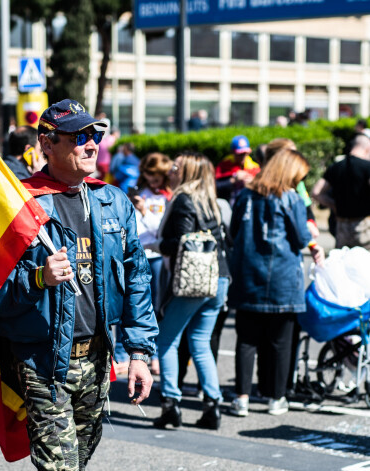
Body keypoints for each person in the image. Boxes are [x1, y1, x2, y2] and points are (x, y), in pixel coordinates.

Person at [0, 99, 158, 470]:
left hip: (97, 361)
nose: (92, 144)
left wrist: (141, 355)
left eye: (94, 134)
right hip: (43, 362)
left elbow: (137, 280)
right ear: (47, 144)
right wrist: (39, 278)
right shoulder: (19, 203)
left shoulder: (112, 200)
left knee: (76, 463)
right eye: (79, 136)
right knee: (60, 468)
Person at [228, 149, 325, 417]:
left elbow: (234, 232)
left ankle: (242, 397)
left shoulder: (246, 195)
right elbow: (300, 237)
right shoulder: (291, 198)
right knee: (280, 342)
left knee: (246, 340)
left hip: (247, 275)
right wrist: (312, 238)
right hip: (282, 278)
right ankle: (276, 398)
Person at [155, 152, 230, 430]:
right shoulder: (212, 201)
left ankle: (171, 405)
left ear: (187, 173)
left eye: (175, 167)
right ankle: (213, 405)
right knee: (200, 341)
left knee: (167, 341)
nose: (170, 171)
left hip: (193, 280)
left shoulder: (184, 200)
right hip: (219, 278)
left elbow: (182, 242)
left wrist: (157, 245)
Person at [121, 152, 173, 375]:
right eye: (149, 174)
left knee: (157, 308)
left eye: (157, 175)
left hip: (158, 256)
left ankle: (157, 355)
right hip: (135, 254)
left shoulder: (167, 197)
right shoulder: (137, 193)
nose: (153, 179)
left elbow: (162, 230)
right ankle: (123, 354)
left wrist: (144, 211)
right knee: (131, 305)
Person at [312, 133, 370, 250]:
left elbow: (316, 192)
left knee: (342, 262)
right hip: (363, 226)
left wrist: (333, 205)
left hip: (341, 226)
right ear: (367, 149)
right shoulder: (367, 167)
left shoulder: (336, 166)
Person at [215, 135, 260, 204]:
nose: (243, 157)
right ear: (232, 152)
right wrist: (233, 180)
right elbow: (216, 186)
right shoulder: (224, 165)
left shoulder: (254, 167)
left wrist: (253, 182)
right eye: (240, 154)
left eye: (245, 153)